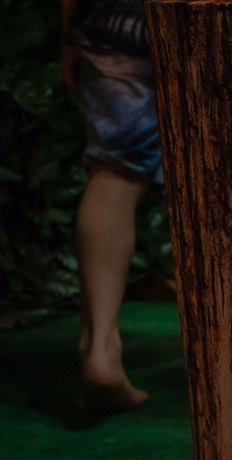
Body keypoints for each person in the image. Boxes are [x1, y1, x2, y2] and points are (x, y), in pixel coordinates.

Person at [60, 0, 159, 412]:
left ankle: (101, 347)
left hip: (115, 18)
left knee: (116, 172)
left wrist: (71, 32)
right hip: (223, 21)